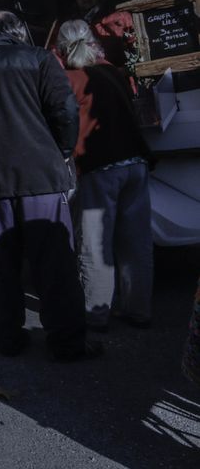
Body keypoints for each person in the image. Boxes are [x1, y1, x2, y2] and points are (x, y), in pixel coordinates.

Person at [0, 10, 100, 361]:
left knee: (0, 264)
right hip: (40, 178)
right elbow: (66, 111)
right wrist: (61, 150)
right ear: (17, 33)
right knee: (54, 262)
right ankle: (67, 342)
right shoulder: (40, 60)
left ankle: (9, 338)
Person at [56, 20, 152, 332]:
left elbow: (64, 125)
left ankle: (96, 316)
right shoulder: (112, 71)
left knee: (96, 246)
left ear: (61, 49)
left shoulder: (69, 79)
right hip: (135, 163)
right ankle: (138, 310)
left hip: (100, 168)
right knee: (135, 242)